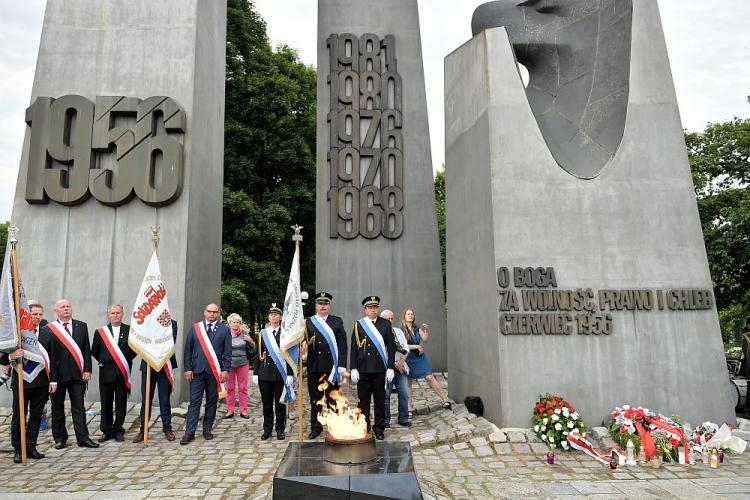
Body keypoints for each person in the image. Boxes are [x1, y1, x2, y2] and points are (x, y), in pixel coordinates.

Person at [0, 303, 55, 463]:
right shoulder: (17, 334)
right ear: (27, 315)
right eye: (34, 314)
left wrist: (53, 381)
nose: (37, 317)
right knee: (19, 416)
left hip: (41, 383)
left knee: (36, 416)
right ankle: (18, 448)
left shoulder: (47, 333)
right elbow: (2, 356)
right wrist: (12, 356)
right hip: (21, 382)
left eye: (40, 314)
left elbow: (52, 357)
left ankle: (31, 446)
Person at [43, 299, 98, 449]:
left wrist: (87, 369)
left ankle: (83, 438)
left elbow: (86, 349)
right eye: (62, 307)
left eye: (68, 306)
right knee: (57, 407)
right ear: (56, 311)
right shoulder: (49, 329)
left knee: (79, 407)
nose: (66, 309)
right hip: (57, 376)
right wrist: (49, 378)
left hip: (77, 375)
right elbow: (47, 355)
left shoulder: (81, 326)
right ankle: (60, 439)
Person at [181, 304, 231, 444]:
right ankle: (189, 432)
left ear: (219, 313)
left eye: (215, 312)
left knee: (211, 401)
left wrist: (226, 369)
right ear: (204, 312)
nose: (212, 314)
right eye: (209, 311)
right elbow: (187, 350)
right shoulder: (196, 328)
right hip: (197, 371)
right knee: (195, 402)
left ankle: (207, 429)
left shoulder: (224, 330)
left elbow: (228, 353)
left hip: (215, 372)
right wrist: (187, 368)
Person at [350, 296, 395, 440]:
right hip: (363, 368)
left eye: (375, 307)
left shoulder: (385, 324)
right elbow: (354, 348)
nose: (373, 310)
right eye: (370, 308)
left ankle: (379, 428)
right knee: (363, 400)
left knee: (380, 399)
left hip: (379, 368)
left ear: (378, 309)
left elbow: (392, 347)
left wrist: (390, 367)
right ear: (365, 310)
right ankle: (364, 426)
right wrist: (353, 368)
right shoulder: (359, 325)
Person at [304, 292, 348, 439]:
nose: (323, 306)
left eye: (325, 304)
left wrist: (341, 365)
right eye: (320, 304)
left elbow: (343, 345)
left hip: (332, 368)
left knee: (332, 398)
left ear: (329, 306)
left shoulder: (337, 321)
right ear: (316, 306)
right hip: (314, 366)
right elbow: (302, 342)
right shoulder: (308, 322)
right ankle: (315, 427)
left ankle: (333, 426)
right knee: (315, 399)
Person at [91, 304, 136, 442]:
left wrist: (122, 361)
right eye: (112, 313)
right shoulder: (100, 332)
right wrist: (107, 360)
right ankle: (106, 430)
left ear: (122, 314)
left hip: (122, 372)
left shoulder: (130, 330)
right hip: (106, 372)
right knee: (106, 403)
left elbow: (134, 350)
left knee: (121, 402)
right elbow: (95, 351)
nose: (115, 315)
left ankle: (118, 430)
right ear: (108, 314)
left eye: (118, 313)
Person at [133, 319, 178, 443]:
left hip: (164, 366)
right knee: (146, 400)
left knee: (164, 400)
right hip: (148, 365)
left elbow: (170, 342)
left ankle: (167, 429)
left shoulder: (171, 323)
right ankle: (143, 430)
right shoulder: (146, 324)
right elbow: (140, 342)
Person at [253, 304, 294, 440]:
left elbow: (290, 356)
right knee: (266, 404)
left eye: (276, 315)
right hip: (265, 373)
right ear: (268, 317)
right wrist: (255, 372)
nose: (273, 316)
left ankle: (280, 430)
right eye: (271, 315)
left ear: (281, 317)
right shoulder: (263, 334)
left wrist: (289, 373)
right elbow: (258, 354)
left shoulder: (286, 333)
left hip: (280, 374)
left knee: (280, 404)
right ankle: (267, 429)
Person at [402, 308, 451, 412]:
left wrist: (425, 330)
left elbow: (424, 339)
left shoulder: (416, 327)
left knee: (429, 377)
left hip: (420, 357)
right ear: (404, 316)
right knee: (408, 382)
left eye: (412, 314)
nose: (410, 316)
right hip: (408, 357)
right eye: (408, 314)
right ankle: (410, 406)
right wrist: (416, 346)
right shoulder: (401, 329)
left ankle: (445, 400)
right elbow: (402, 345)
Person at [381, 309, 411, 428]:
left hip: (401, 367)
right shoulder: (379, 332)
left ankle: (403, 419)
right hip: (387, 368)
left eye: (392, 318)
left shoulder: (398, 331)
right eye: (388, 318)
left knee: (403, 393)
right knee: (386, 394)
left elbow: (405, 348)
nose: (390, 321)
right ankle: (385, 420)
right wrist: (392, 364)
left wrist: (401, 362)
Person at [224, 313, 254, 419]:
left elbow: (254, 346)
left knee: (242, 388)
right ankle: (230, 410)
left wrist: (250, 340)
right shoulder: (225, 334)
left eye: (237, 322)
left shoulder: (244, 333)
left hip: (243, 363)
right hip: (229, 365)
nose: (235, 324)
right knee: (230, 388)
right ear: (229, 323)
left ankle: (243, 410)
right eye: (233, 322)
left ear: (240, 323)